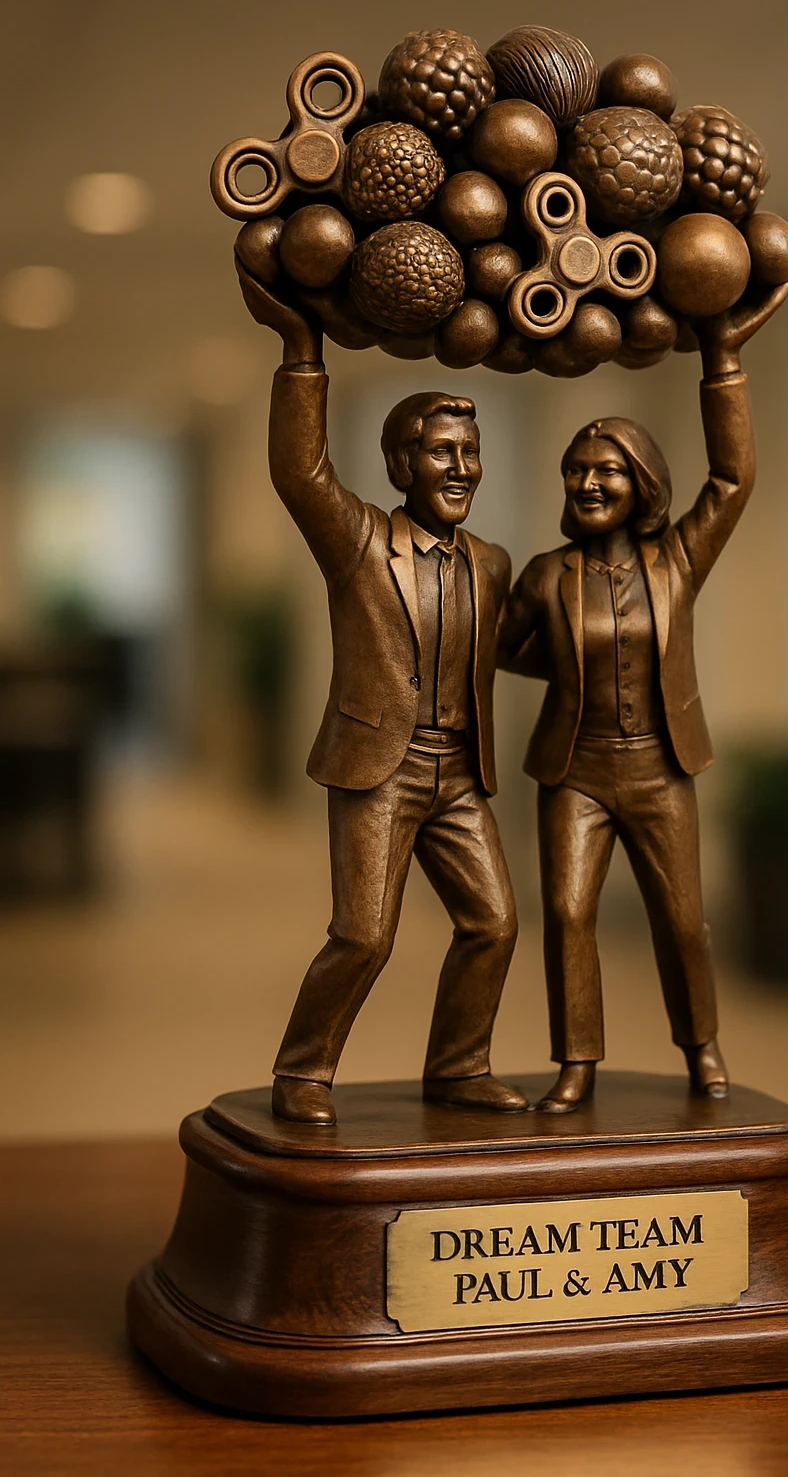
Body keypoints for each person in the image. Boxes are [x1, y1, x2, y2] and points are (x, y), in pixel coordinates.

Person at [236, 259, 524, 1125]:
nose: (461, 468)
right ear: (403, 463)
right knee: (364, 934)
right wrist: (301, 350)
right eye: (442, 452)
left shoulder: (493, 564)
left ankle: (458, 1069)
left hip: (460, 774)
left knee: (495, 925)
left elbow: (515, 651)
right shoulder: (361, 542)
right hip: (379, 770)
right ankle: (303, 1071)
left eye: (471, 454)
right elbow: (300, 473)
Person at [500, 285, 788, 1112]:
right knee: (567, 914)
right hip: (574, 771)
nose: (589, 484)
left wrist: (722, 361)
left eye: (608, 471)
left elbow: (733, 480)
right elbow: (501, 653)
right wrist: (568, 673)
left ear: (642, 483)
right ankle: (576, 1063)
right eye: (578, 471)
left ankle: (701, 1047)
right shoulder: (546, 575)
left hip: (661, 769)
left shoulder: (678, 560)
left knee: (684, 919)